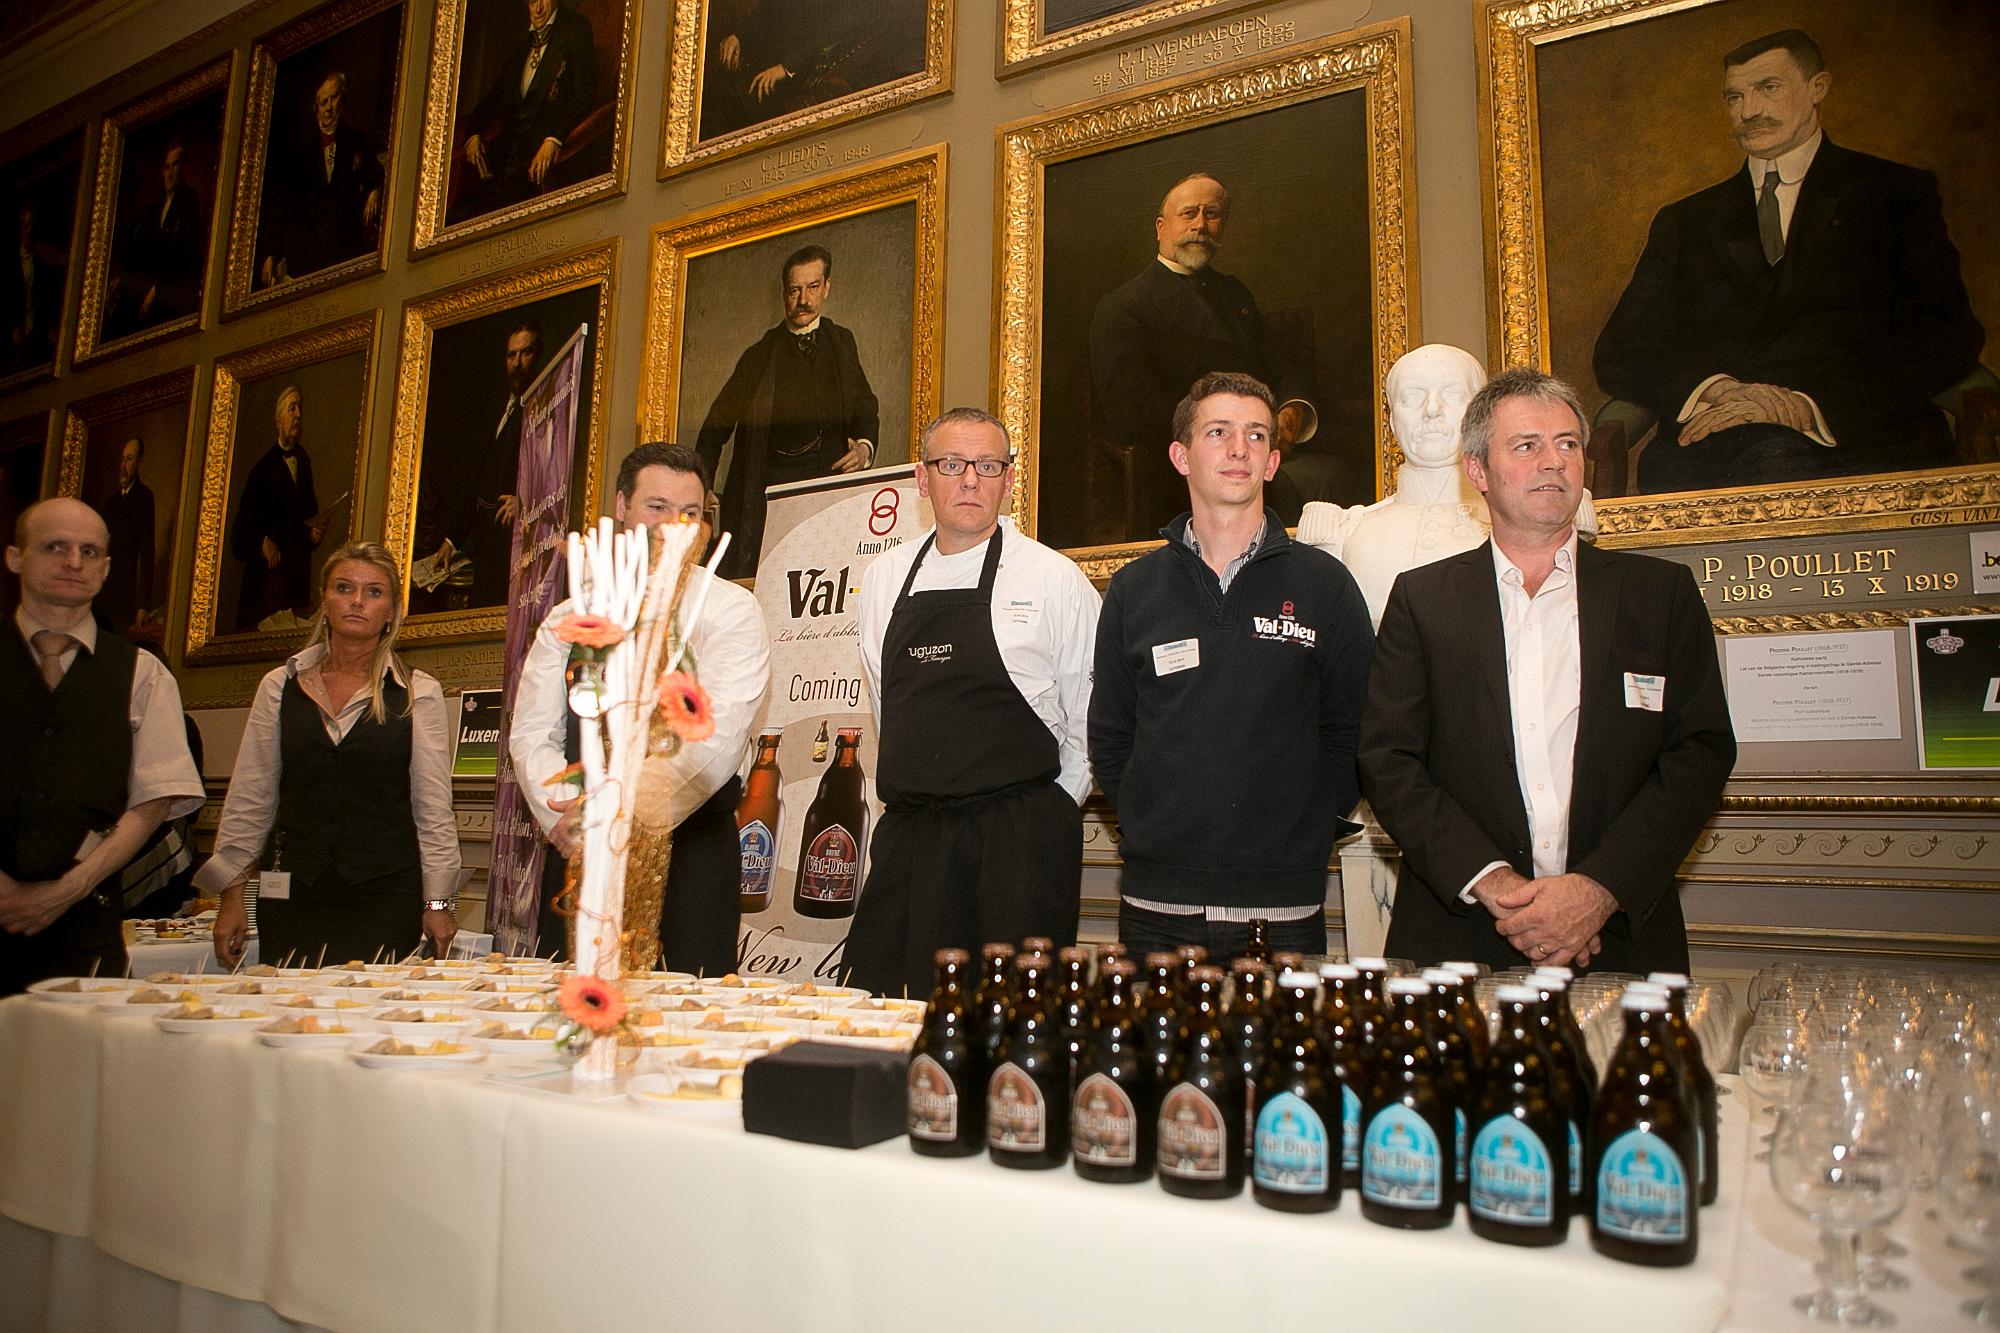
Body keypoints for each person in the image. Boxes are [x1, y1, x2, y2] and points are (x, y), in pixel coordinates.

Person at [1359, 368, 1736, 975]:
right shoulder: (1422, 601)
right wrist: (1499, 888)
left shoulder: (1658, 595)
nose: (1553, 462)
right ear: (1478, 471)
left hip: (1619, 936)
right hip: (1461, 938)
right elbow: (1389, 760)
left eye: (1567, 444)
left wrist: (1598, 890)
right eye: (1527, 446)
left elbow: (1699, 753)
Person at [1594, 28, 1984, 494]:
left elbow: (1948, 334)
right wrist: (1717, 390)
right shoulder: (1686, 221)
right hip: (1713, 446)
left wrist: (1805, 404)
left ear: (1817, 88)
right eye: (1734, 97)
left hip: (1863, 437)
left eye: (1768, 89)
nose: (1749, 111)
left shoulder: (1894, 194)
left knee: (1781, 464)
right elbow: (1622, 350)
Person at [1088, 371, 1373, 957]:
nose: (1239, 448)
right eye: (1218, 432)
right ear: (1180, 455)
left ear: (1272, 462)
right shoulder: (1134, 590)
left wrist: (1308, 826)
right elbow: (1112, 737)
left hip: (1284, 910)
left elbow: (1356, 731)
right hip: (1155, 911)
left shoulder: (1326, 586)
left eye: (1257, 435)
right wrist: (1147, 822)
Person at [846, 408, 1101, 998]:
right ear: (921, 477)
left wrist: (1050, 813)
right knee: (891, 1014)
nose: (970, 481)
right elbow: (887, 705)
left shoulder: (1053, 579)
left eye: (988, 466)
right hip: (913, 842)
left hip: (1018, 845)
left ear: (1009, 480)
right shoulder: (884, 577)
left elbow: (1090, 716)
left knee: (1010, 1028)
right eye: (952, 465)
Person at [510, 443, 771, 974]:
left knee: (691, 1028)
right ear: (621, 507)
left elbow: (712, 742)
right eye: (657, 507)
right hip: (578, 851)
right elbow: (532, 733)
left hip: (691, 861)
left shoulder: (731, 610)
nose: (674, 526)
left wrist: (616, 813)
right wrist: (570, 819)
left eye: (691, 514)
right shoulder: (573, 613)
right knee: (569, 1025)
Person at [204, 542, 462, 967]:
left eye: (374, 592)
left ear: (393, 611)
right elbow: (251, 799)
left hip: (384, 896)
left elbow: (433, 811)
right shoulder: (280, 686)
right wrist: (231, 897)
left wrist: (437, 905)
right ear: (324, 601)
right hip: (291, 893)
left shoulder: (418, 692)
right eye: (344, 588)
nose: (358, 601)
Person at [1, 498, 202, 993]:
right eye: (56, 547)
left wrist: (67, 890)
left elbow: (153, 802)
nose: (74, 562)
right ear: (14, 557)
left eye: (89, 551)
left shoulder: (144, 674)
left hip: (86, 934)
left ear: (107, 568)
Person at [1088, 173, 1319, 538]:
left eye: (1211, 214)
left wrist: (1293, 408)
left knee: (1327, 483)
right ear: (1161, 228)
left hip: (1256, 450)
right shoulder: (1124, 307)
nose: (1200, 224)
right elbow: (1130, 411)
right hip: (1178, 468)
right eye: (1189, 213)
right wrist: (1225, 433)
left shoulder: (1235, 295)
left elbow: (1276, 365)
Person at [695, 244, 879, 578]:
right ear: (784, 294)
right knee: (770, 577)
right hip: (770, 491)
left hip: (828, 484)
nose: (803, 300)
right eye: (795, 290)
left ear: (826, 287)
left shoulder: (842, 342)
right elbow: (714, 425)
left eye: (812, 287)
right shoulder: (758, 357)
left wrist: (864, 447)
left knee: (825, 576)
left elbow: (865, 402)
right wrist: (702, 483)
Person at [423, 321, 540, 609]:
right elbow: (479, 479)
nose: (517, 363)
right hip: (486, 543)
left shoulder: (545, 409)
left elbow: (559, 475)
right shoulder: (499, 408)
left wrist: (527, 502)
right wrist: (452, 540)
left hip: (518, 547)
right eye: (512, 355)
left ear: (536, 356)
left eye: (525, 354)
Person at [455, 0, 597, 217]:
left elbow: (584, 96)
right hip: (502, 164)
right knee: (459, 216)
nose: (538, 8)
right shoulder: (521, 45)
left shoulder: (575, 29)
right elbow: (494, 96)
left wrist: (554, 139)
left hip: (539, 166)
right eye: (532, 1)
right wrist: (473, 133)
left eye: (543, 0)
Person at [260, 70, 384, 287]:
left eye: (334, 98)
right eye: (323, 101)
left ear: (343, 100)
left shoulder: (356, 140)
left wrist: (375, 190)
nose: (329, 108)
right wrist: (271, 253)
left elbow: (374, 171)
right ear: (316, 108)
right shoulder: (302, 158)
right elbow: (282, 208)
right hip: (308, 252)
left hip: (345, 243)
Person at [230, 385, 328, 631]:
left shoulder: (304, 462)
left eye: (299, 409)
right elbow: (239, 533)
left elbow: (306, 519)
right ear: (278, 420)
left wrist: (313, 534)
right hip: (267, 587)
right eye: (291, 408)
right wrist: (262, 542)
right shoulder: (261, 471)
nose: (297, 415)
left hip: (295, 583)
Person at [107, 137, 204, 338]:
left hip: (171, 291)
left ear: (183, 167)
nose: (170, 172)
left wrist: (157, 291)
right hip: (149, 284)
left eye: (175, 165)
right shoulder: (155, 207)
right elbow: (142, 249)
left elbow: (180, 257)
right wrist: (123, 277)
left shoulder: (189, 201)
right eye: (167, 167)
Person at [94, 437, 156, 636]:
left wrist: (143, 604)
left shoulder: (144, 497)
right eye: (122, 459)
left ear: (138, 463)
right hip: (103, 592)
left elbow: (147, 551)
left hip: (126, 594)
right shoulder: (111, 502)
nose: (124, 465)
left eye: (129, 459)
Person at [3, 201, 61, 373]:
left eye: (31, 224)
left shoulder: (40, 260)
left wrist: (50, 326)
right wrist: (13, 326)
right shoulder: (9, 262)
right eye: (25, 225)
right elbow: (8, 297)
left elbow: (45, 296)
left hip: (36, 330)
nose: (29, 231)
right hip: (16, 332)